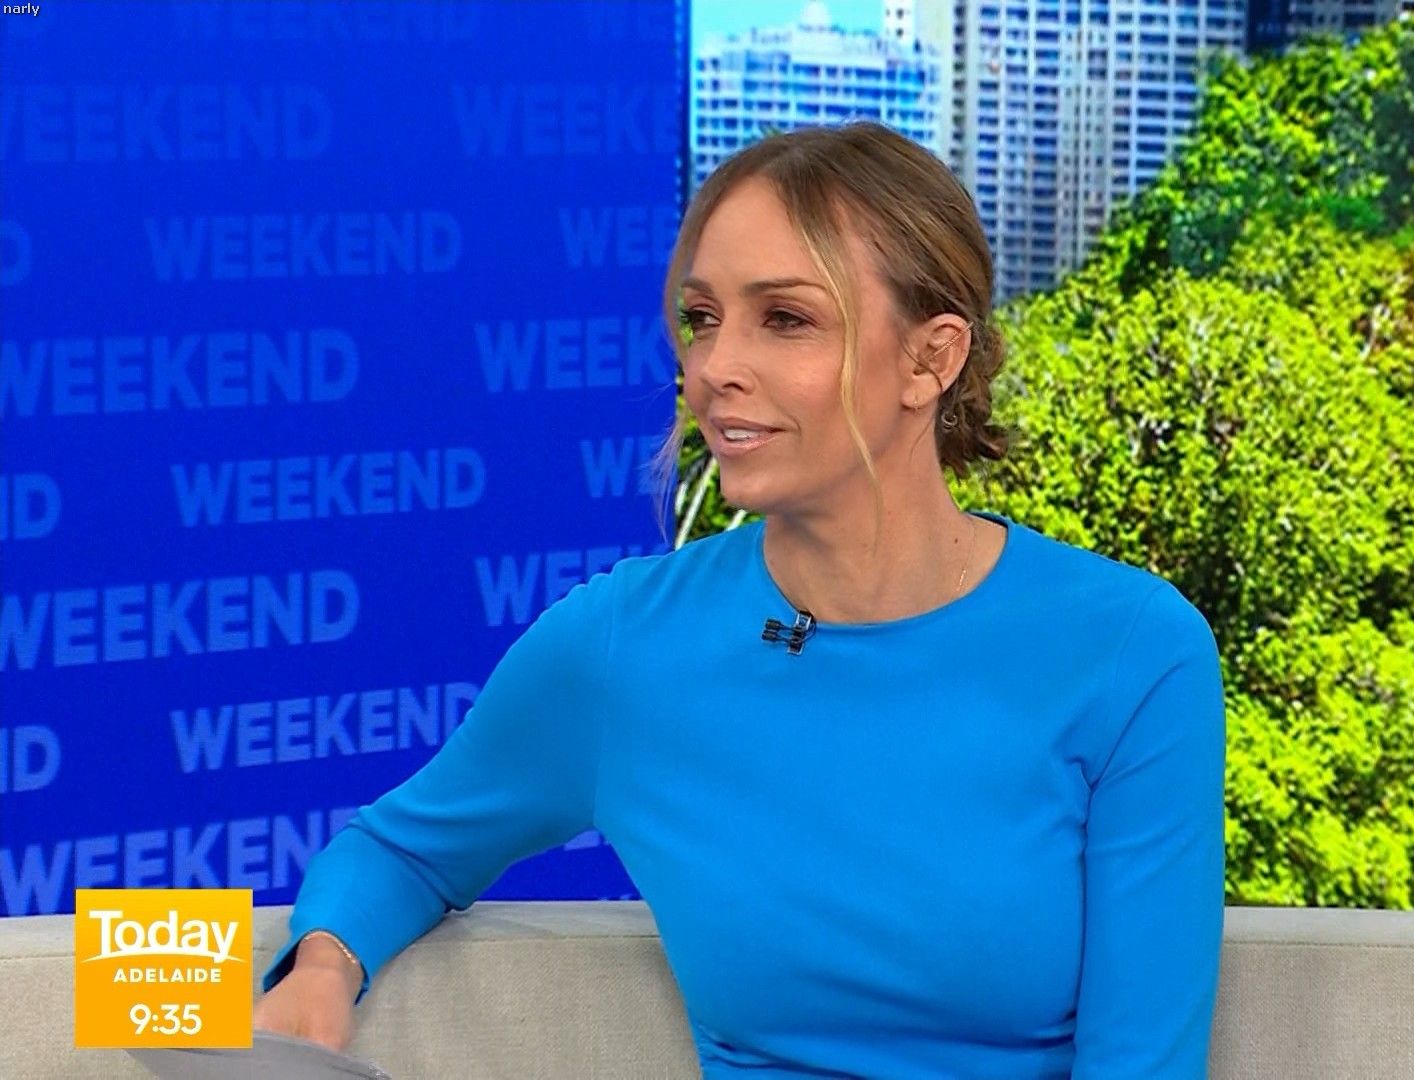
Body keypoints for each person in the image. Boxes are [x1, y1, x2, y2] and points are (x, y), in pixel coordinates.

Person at [253, 120, 1226, 1078]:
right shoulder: (624, 645)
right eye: (702, 319)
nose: (714, 368)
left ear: (931, 359)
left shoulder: (1133, 653)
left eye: (786, 319)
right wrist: (324, 966)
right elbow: (405, 850)